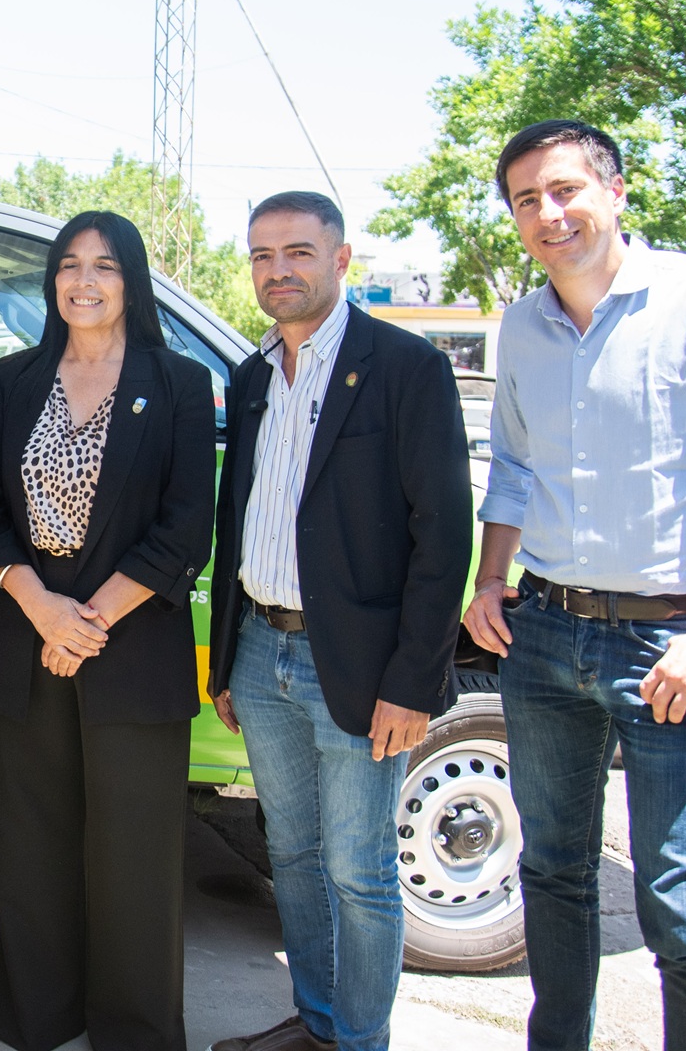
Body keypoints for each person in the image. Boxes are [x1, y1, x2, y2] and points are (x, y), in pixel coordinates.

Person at [462, 120, 686, 1051]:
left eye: (565, 189)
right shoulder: (522, 324)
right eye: (527, 199)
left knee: (679, 904)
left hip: (672, 647)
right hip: (545, 636)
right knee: (554, 876)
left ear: (615, 193)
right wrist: (491, 580)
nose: (548, 213)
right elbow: (515, 471)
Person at [204, 192, 473, 1051]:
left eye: (297, 252)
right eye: (260, 255)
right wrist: (225, 661)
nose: (277, 270)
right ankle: (315, 1025)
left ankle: (360, 1040)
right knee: (292, 858)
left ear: (342, 258)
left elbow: (443, 536)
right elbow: (234, 515)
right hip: (260, 654)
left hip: (354, 669)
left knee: (359, 874)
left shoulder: (405, 367)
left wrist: (414, 681)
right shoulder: (251, 378)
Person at [0, 210, 216, 1051]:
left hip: (127, 646)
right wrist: (42, 610)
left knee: (134, 858)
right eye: (69, 265)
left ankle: (135, 1032)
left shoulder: (177, 383)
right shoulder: (13, 379)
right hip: (26, 638)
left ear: (131, 281)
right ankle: (39, 1015)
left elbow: (184, 529)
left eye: (104, 266)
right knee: (32, 850)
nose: (83, 281)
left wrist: (87, 621)